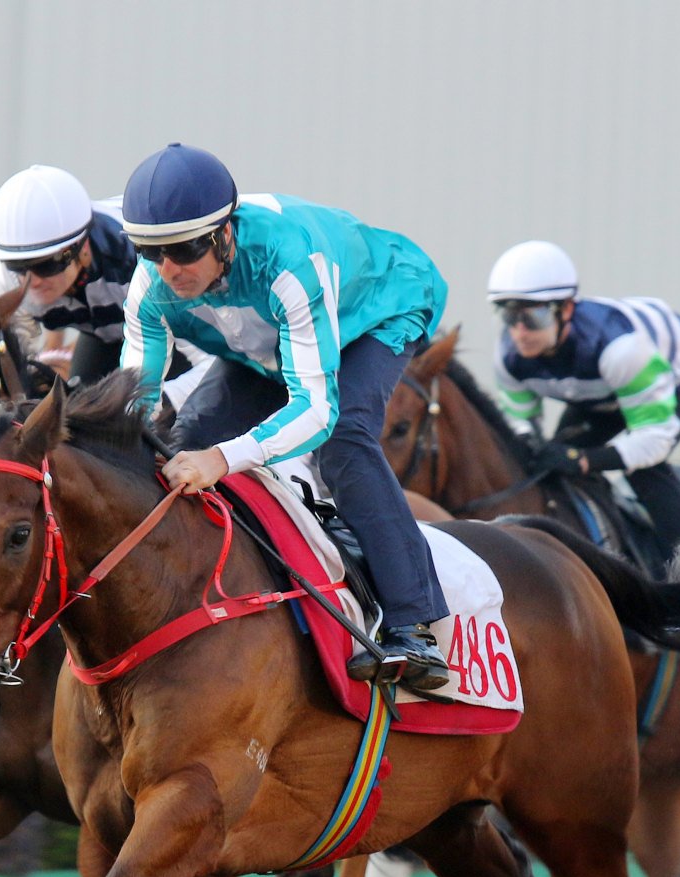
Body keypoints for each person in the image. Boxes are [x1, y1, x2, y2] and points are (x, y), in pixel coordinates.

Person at [117, 142, 451, 691]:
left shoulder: (287, 261)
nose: (170, 270)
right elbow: (136, 403)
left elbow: (315, 411)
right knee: (186, 440)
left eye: (185, 250)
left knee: (342, 439)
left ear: (224, 234)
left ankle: (413, 624)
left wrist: (224, 460)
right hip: (275, 336)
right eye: (153, 253)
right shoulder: (151, 285)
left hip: (375, 312)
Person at [486, 240, 680, 554]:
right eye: (508, 316)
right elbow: (519, 421)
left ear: (567, 309)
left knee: (643, 471)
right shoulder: (508, 355)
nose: (519, 332)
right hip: (606, 386)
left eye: (532, 318)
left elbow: (654, 439)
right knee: (558, 460)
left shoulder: (620, 350)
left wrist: (587, 460)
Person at [0, 164, 142, 385]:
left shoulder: (132, 260)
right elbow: (11, 366)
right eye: (18, 266)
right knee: (79, 402)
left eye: (47, 265)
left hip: (172, 331)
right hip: (104, 332)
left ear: (83, 250)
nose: (34, 281)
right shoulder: (6, 283)